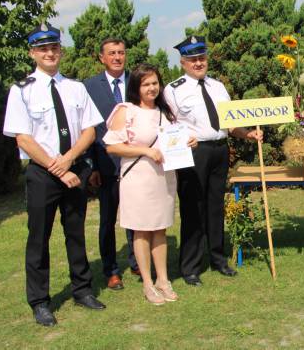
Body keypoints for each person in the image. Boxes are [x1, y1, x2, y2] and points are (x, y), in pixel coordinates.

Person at [3, 22, 106, 327]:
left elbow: (89, 130)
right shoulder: (21, 91)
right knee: (39, 238)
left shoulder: (75, 88)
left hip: (74, 169)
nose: (50, 53)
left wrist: (71, 159)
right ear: (33, 52)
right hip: (43, 175)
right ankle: (39, 301)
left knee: (75, 233)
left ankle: (82, 289)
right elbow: (23, 139)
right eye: (43, 48)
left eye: (54, 47)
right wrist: (56, 167)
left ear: (61, 50)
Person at [164, 36, 262, 286]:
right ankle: (190, 267)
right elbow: (169, 127)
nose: (198, 63)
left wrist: (247, 133)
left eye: (202, 58)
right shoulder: (173, 90)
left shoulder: (218, 87)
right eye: (193, 59)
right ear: (183, 62)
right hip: (194, 153)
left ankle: (218, 259)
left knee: (215, 206)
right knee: (192, 209)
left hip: (219, 150)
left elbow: (228, 123)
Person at [103, 63, 196, 305]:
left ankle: (163, 280)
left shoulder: (165, 112)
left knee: (160, 228)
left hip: (163, 179)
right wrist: (144, 151)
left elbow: (174, 140)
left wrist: (188, 142)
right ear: (136, 87)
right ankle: (147, 283)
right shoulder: (126, 110)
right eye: (146, 84)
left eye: (155, 83)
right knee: (142, 230)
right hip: (138, 179)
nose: (152, 88)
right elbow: (111, 146)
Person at [84, 38, 139, 290]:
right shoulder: (89, 87)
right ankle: (111, 270)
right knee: (107, 219)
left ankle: (137, 260)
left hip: (135, 161)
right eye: (112, 53)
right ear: (102, 58)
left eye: (121, 53)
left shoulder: (136, 81)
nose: (117, 57)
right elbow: (88, 129)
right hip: (105, 163)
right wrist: (92, 166)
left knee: (134, 215)